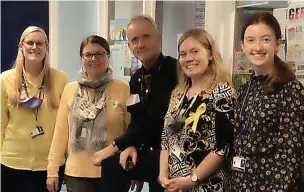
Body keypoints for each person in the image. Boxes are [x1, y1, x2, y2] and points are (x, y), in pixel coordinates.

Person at [93, 15, 177, 192]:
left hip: (173, 154)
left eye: (146, 36)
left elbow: (155, 117)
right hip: (150, 152)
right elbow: (136, 119)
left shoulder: (175, 71)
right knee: (115, 164)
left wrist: (116, 146)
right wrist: (131, 147)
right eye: (134, 40)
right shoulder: (137, 78)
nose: (140, 44)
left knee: (110, 160)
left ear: (158, 39)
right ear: (129, 46)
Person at [228, 12, 304, 192]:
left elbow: (290, 156)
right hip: (241, 183)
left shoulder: (290, 90)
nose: (258, 47)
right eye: (251, 40)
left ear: (277, 45)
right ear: (242, 45)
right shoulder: (246, 88)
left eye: (266, 40)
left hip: (271, 185)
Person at [46, 35, 130, 192]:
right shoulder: (70, 90)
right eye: (88, 54)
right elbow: (60, 133)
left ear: (108, 56)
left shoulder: (123, 88)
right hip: (77, 174)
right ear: (81, 58)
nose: (94, 59)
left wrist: (134, 168)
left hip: (114, 171)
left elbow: (130, 131)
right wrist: (52, 170)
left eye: (100, 54)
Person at [159, 28, 235, 192]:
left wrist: (192, 179)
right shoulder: (178, 93)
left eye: (195, 51)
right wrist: (163, 174)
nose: (189, 58)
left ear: (210, 54)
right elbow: (166, 137)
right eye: (183, 54)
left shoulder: (222, 93)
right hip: (174, 186)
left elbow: (223, 147)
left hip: (208, 185)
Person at [0, 26, 68, 192]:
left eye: (40, 43)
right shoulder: (5, 79)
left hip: (48, 166)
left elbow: (66, 125)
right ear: (21, 46)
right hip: (11, 162)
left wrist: (62, 159)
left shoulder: (60, 79)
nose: (34, 47)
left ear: (46, 47)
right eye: (30, 43)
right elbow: (1, 123)